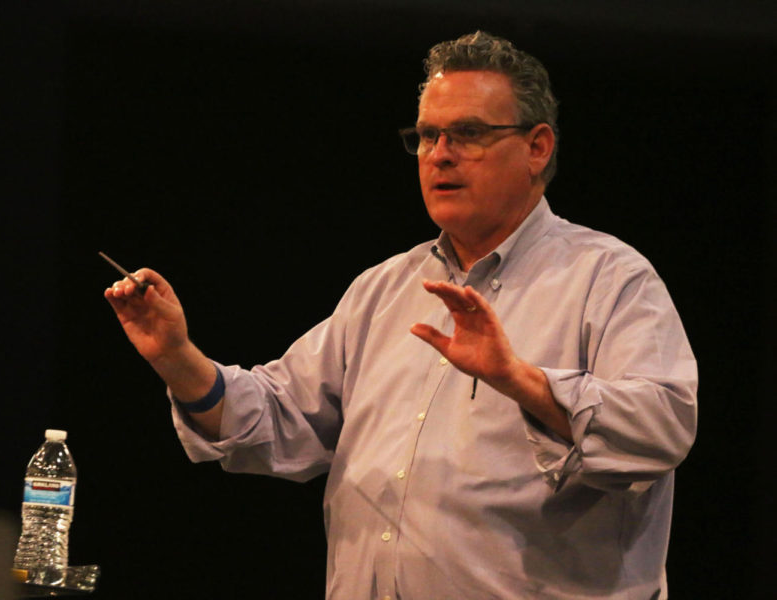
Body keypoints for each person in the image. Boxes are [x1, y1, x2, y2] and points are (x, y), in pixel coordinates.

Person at [104, 31, 697, 600]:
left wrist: (519, 380)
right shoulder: (384, 289)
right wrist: (179, 359)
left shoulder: (609, 277)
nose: (440, 155)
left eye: (467, 133)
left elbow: (662, 425)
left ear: (537, 147)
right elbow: (282, 419)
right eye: (427, 135)